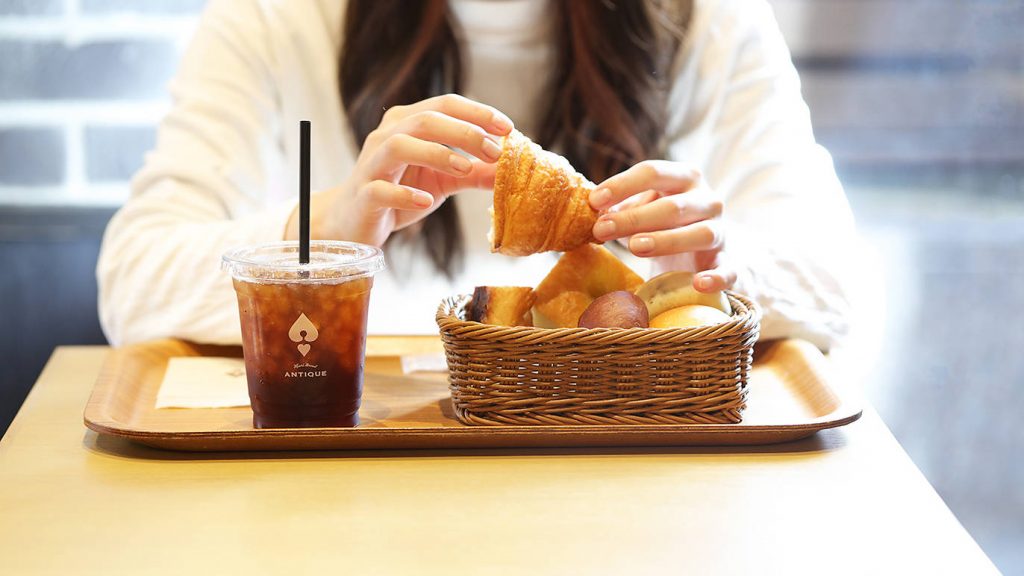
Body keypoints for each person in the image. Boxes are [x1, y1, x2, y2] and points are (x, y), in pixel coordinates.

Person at [97, 0, 857, 350]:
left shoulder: (709, 23)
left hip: (628, 479)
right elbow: (132, 285)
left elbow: (835, 285)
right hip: (345, 478)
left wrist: (713, 270)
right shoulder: (274, 21)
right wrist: (322, 234)